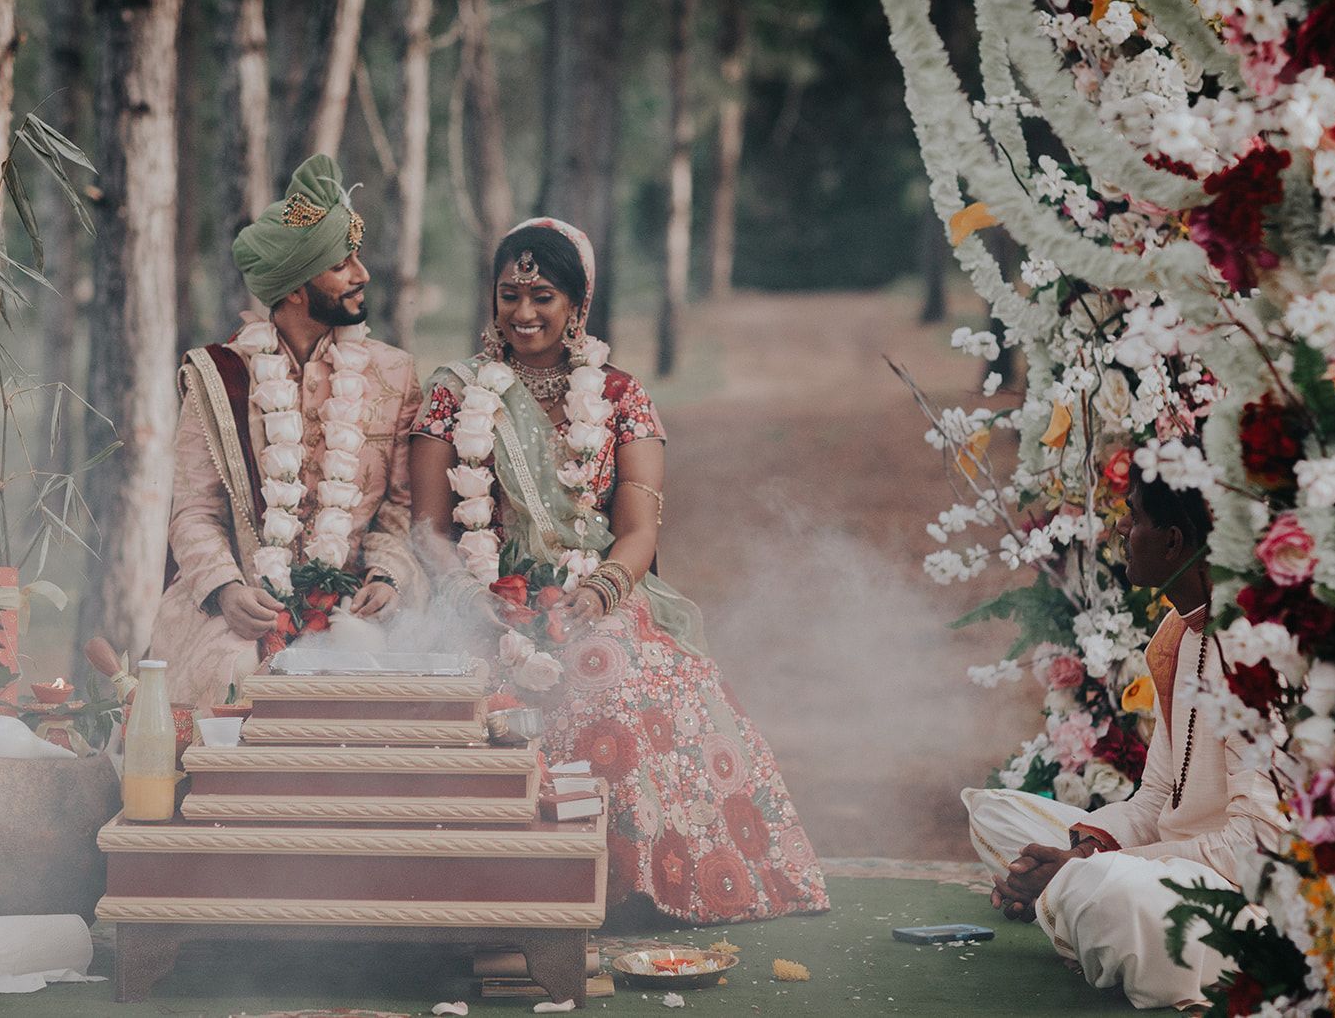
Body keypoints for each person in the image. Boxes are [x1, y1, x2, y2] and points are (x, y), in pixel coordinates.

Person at [407, 217, 828, 923]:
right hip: (480, 595)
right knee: (472, 679)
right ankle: (490, 888)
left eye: (543, 295)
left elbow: (638, 532)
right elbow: (427, 528)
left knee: (603, 665)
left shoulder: (619, 397)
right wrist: (465, 592)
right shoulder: (454, 394)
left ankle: (630, 886)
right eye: (509, 294)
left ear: (578, 305)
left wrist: (598, 593)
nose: (524, 312)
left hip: (597, 589)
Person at [963, 470, 1286, 1009]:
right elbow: (1157, 797)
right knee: (994, 816)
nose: (1120, 529)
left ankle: (1074, 901)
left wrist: (1090, 868)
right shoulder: (1183, 634)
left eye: (1134, 516)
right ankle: (1066, 895)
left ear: (1173, 540)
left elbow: (1257, 850)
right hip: (1169, 864)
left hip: (1248, 905)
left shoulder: (1256, 652)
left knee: (1113, 895)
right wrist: (1088, 848)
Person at [148, 154, 425, 710]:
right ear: (297, 288)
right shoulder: (219, 376)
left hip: (354, 606)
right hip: (246, 604)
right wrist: (225, 590)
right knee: (228, 673)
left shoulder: (393, 374)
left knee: (378, 677)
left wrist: (387, 576)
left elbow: (399, 511)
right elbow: (195, 510)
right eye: (342, 264)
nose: (362, 274)